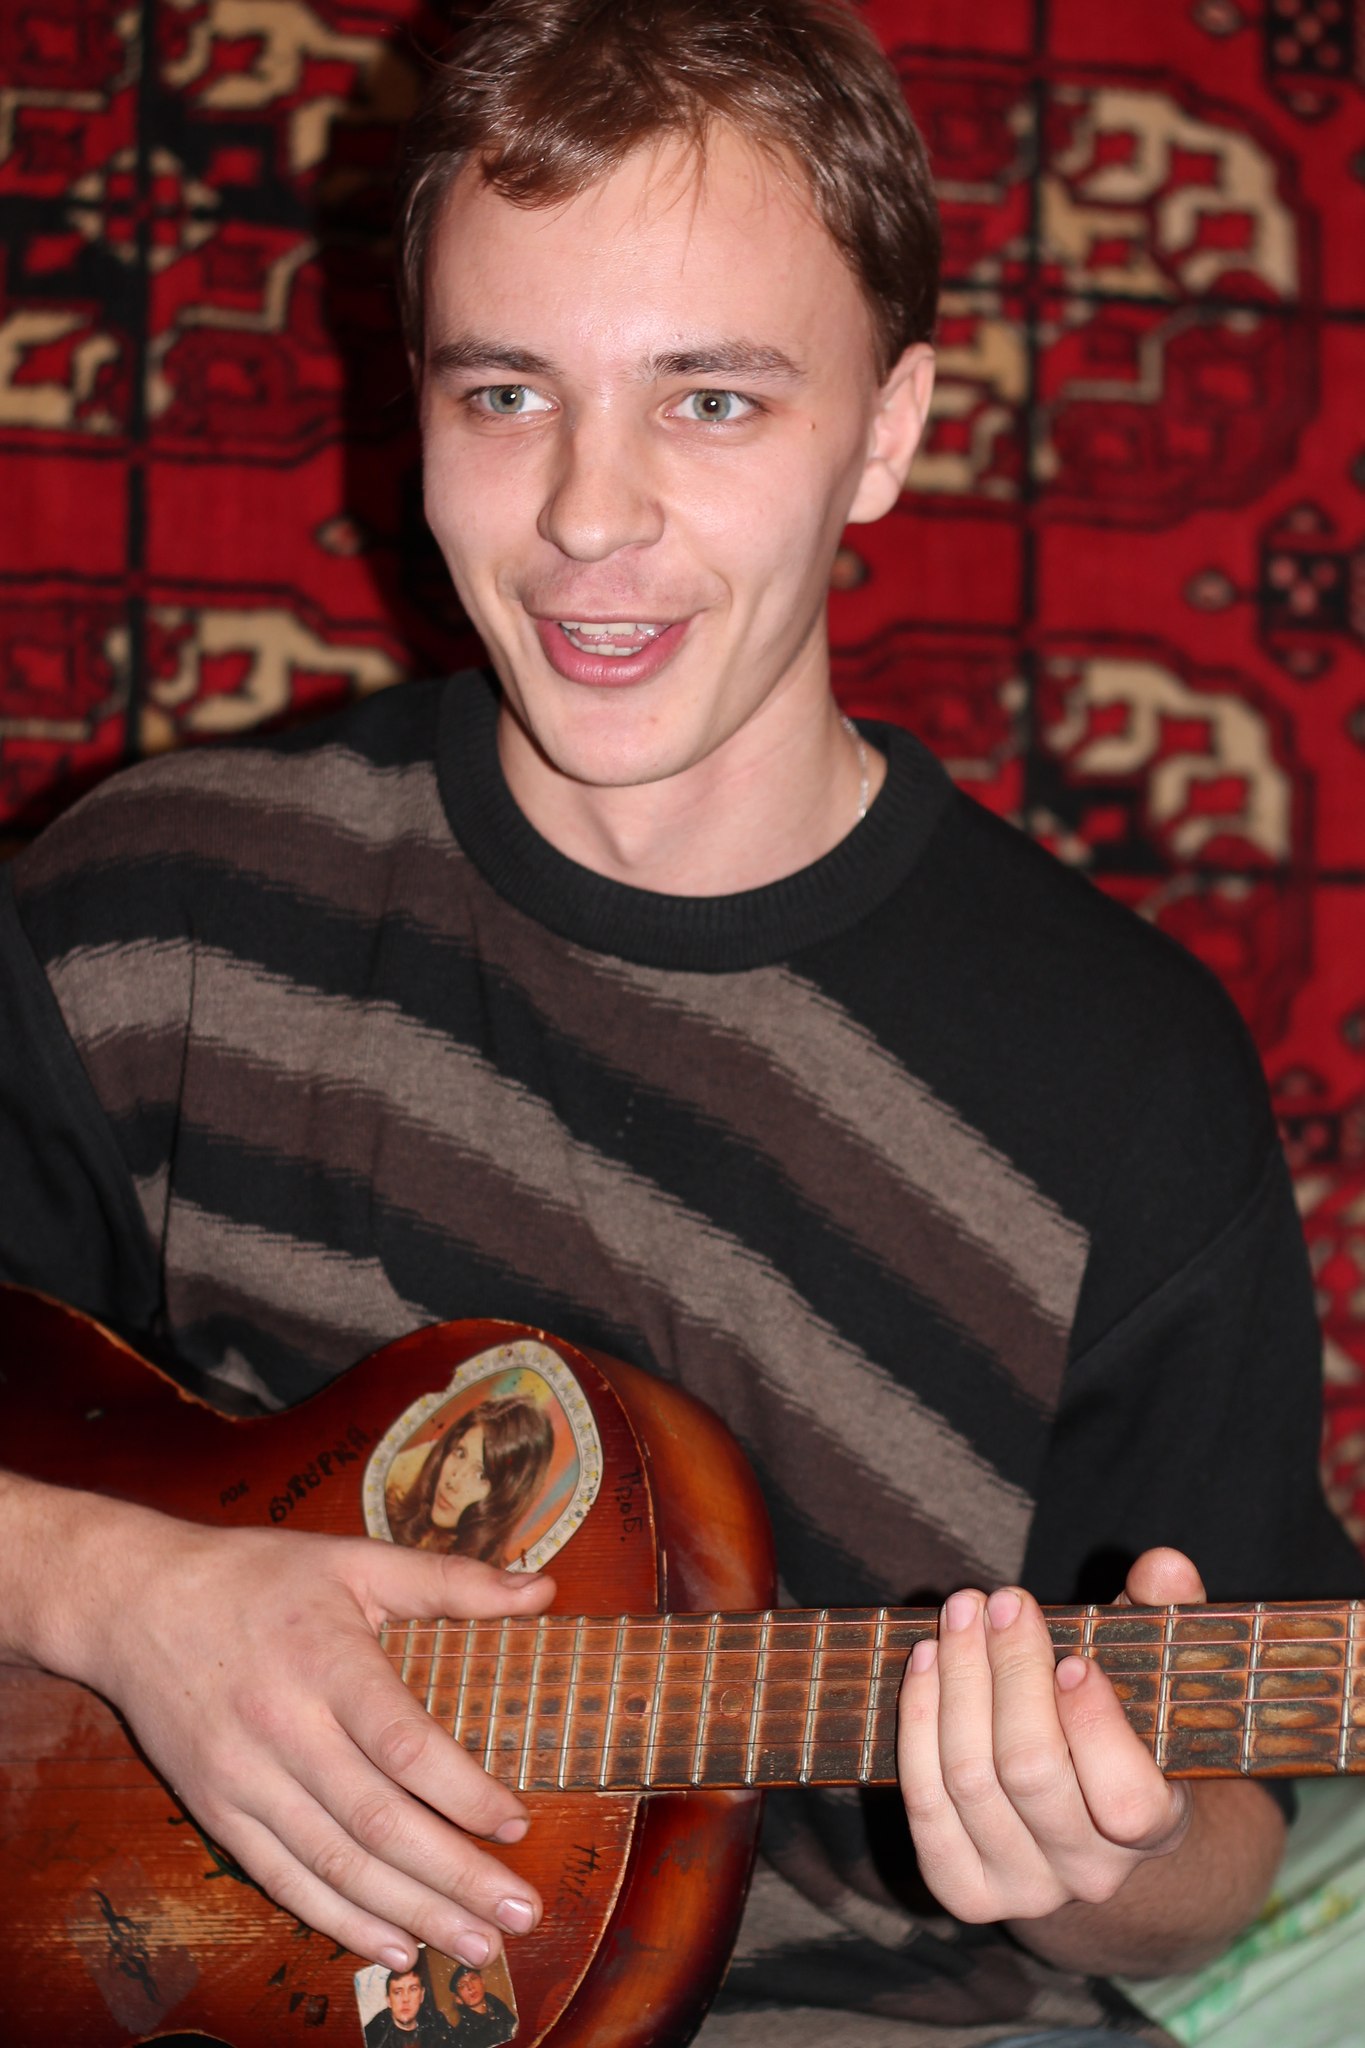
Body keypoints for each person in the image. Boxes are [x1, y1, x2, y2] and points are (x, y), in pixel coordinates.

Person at [0, 1, 1360, 2042]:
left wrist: (1113, 1858)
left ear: (885, 430)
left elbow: (1224, 1843)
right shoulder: (157, 909)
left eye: (710, 400)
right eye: (506, 392)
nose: (586, 512)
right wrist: (113, 1594)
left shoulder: (1123, 1077)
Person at [387, 1397, 555, 1561]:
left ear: (506, 1496)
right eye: (460, 1453)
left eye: (481, 1475)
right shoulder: (393, 1502)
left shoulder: (484, 1574)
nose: (453, 1483)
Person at [364, 1962, 458, 2046]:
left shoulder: (437, 2023)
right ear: (388, 2000)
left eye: (413, 1989)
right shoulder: (373, 2038)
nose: (405, 1999)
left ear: (422, 1995)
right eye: (398, 1992)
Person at [447, 1963, 516, 2046]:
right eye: (462, 1985)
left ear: (483, 1981)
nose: (470, 1987)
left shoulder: (501, 2010)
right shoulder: (463, 2036)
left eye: (473, 1978)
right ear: (458, 1999)